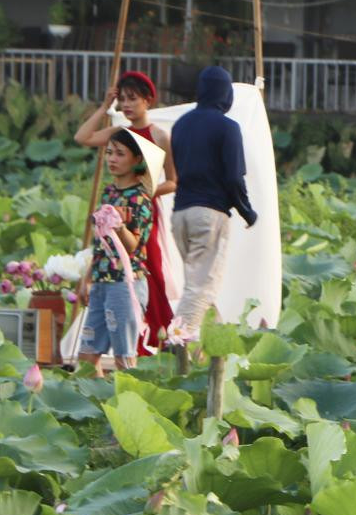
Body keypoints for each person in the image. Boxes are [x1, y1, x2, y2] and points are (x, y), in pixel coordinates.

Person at [76, 70, 177, 355]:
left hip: (142, 211)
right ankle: (132, 342)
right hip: (116, 207)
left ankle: (157, 337)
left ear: (148, 100)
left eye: (133, 99)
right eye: (123, 100)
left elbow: (172, 181)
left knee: (148, 272)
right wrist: (104, 106)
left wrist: (142, 193)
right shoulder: (119, 134)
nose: (127, 105)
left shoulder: (159, 135)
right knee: (112, 263)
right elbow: (82, 137)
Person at [168, 65, 257, 341]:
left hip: (180, 214)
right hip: (208, 215)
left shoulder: (181, 124)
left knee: (198, 284)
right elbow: (233, 178)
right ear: (225, 94)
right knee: (201, 287)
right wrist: (247, 211)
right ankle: (177, 345)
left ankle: (214, 348)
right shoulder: (227, 128)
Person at [76, 129, 165, 377]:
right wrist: (88, 278)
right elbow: (101, 244)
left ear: (137, 160)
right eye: (109, 153)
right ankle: (96, 403)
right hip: (102, 281)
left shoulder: (141, 199)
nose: (112, 159)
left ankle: (125, 406)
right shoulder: (109, 193)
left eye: (120, 154)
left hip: (125, 285)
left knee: (124, 357)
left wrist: (120, 226)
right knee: (87, 355)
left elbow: (133, 246)